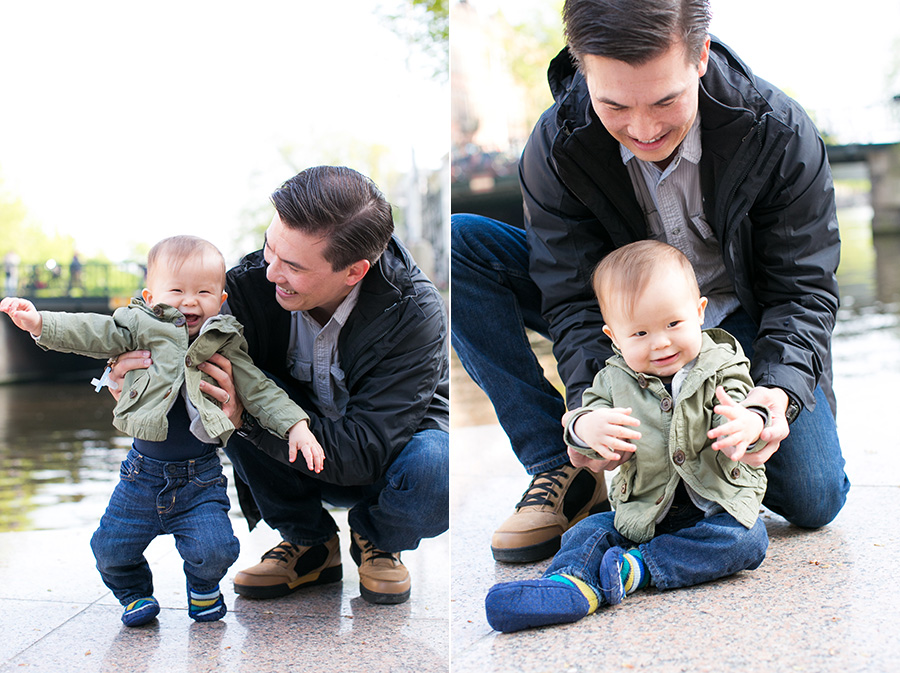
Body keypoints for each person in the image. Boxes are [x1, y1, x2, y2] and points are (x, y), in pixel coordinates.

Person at [451, 0, 849, 564]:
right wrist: (593, 414)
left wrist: (775, 396)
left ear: (700, 57)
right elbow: (570, 298)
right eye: (614, 104)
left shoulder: (777, 130)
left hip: (741, 314)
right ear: (583, 69)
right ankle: (563, 468)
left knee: (814, 500)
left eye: (665, 100)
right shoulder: (555, 144)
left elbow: (803, 290)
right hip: (623, 318)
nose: (642, 128)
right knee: (461, 244)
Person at [109, 166, 450, 605]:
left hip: (385, 462)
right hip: (288, 464)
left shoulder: (414, 311)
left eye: (292, 266)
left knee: (437, 466)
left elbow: (364, 451)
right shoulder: (244, 286)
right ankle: (309, 541)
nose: (271, 272)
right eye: (271, 248)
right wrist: (127, 370)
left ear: (354, 271)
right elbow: (153, 328)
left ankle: (377, 538)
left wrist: (245, 418)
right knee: (220, 378)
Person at [1, 235, 323, 626]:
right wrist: (39, 323)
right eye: (177, 291)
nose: (190, 301)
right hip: (141, 477)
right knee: (110, 549)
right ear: (150, 296)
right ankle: (134, 593)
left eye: (204, 291)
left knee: (217, 547)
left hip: (201, 479)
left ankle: (203, 588)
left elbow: (259, 389)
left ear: (221, 299)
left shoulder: (224, 341)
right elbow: (94, 331)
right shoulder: (138, 326)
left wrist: (297, 425)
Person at [485, 240, 770, 633]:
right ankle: (568, 585)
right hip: (641, 511)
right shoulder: (613, 378)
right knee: (588, 529)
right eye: (639, 332)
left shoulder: (722, 363)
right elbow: (581, 417)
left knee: (748, 540)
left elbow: (750, 407)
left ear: (700, 313)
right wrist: (586, 427)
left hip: (714, 506)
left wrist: (749, 423)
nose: (661, 342)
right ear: (614, 337)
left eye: (674, 324)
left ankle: (636, 569)